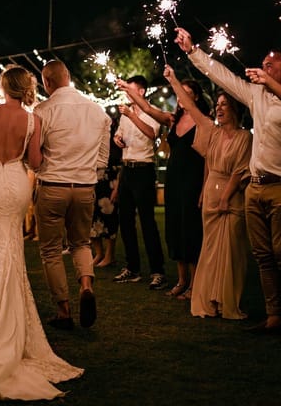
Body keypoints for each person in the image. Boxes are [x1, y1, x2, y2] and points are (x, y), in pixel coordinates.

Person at [0, 65, 83, 402]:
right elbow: (35, 162)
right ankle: (7, 325)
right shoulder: (33, 119)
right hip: (17, 186)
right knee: (11, 252)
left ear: (3, 85)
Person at [174, 28, 281, 331]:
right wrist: (192, 50)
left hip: (279, 186)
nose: (263, 68)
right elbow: (223, 76)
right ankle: (274, 315)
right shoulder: (256, 94)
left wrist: (271, 82)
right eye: (263, 64)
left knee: (280, 252)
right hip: (256, 187)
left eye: (271, 65)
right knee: (262, 254)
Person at [164, 63, 252, 319]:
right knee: (211, 251)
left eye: (225, 105)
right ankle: (210, 300)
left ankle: (227, 302)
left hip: (231, 197)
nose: (219, 108)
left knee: (232, 252)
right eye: (218, 105)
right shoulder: (212, 133)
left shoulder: (244, 138)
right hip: (212, 195)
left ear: (235, 108)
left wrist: (225, 197)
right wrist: (172, 80)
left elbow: (239, 170)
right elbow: (189, 106)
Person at [34, 59, 111, 330]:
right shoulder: (98, 111)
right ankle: (86, 286)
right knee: (81, 243)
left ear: (47, 82)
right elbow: (103, 160)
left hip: (53, 186)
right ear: (68, 76)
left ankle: (64, 310)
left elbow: (35, 155)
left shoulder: (42, 110)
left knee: (51, 250)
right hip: (84, 187)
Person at [118, 77, 210, 299]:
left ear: (196, 97)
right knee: (175, 229)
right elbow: (147, 108)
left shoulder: (203, 122)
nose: (180, 97)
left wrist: (204, 189)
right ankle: (181, 280)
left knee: (190, 231)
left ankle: (195, 284)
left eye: (186, 93)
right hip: (174, 181)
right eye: (179, 93)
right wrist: (128, 91)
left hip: (192, 181)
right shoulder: (172, 120)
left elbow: (208, 158)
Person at [112, 76, 167, 290]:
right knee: (125, 221)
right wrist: (118, 139)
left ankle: (158, 271)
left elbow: (152, 133)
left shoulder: (152, 111)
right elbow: (120, 135)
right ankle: (132, 268)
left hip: (144, 170)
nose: (128, 94)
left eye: (131, 90)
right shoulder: (125, 113)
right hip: (127, 169)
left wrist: (132, 115)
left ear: (141, 91)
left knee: (147, 222)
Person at [90, 116, 121, 267]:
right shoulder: (93, 140)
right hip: (93, 180)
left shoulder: (115, 142)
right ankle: (99, 253)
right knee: (92, 219)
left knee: (110, 219)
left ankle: (109, 255)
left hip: (109, 182)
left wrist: (117, 187)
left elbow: (120, 164)